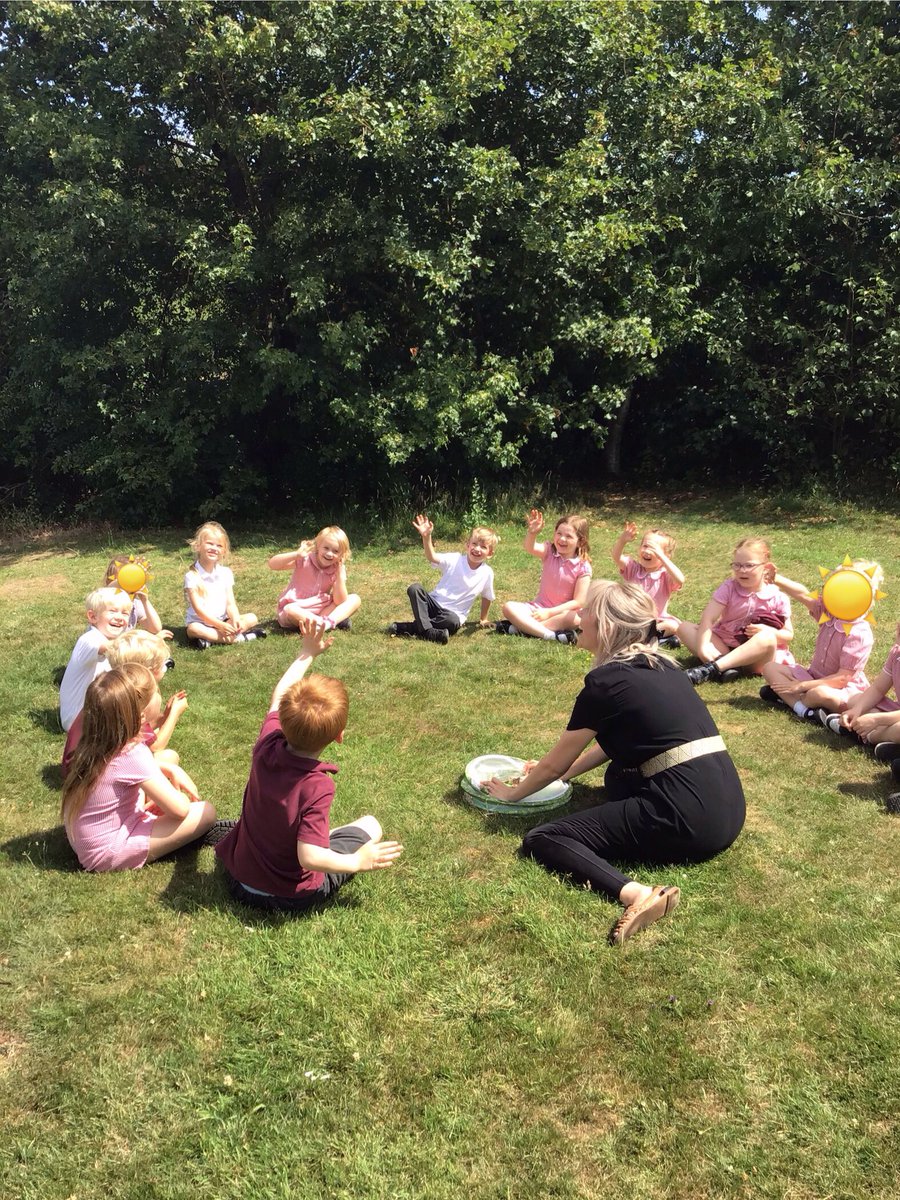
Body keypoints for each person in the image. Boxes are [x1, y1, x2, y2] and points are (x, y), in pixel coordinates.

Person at [483, 580, 745, 943]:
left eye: (586, 612)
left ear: (605, 626)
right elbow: (610, 744)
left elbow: (553, 765)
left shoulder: (604, 683)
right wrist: (569, 775)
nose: (578, 618)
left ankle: (637, 894)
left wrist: (512, 796)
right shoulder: (663, 667)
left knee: (544, 838)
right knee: (617, 777)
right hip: (727, 809)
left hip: (689, 821)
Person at [215, 616, 403, 911]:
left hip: (239, 878)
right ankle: (321, 839)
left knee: (301, 833)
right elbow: (308, 857)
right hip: (285, 895)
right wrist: (356, 861)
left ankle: (263, 835)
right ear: (339, 736)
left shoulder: (266, 745)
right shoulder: (318, 786)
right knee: (371, 825)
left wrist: (306, 653)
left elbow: (278, 696)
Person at [62, 663, 217, 871]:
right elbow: (180, 810)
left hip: (82, 839)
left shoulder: (94, 740)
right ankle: (184, 840)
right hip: (105, 853)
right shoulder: (132, 752)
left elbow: (121, 773)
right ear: (142, 715)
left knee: (168, 759)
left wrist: (171, 770)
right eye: (157, 692)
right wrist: (177, 796)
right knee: (205, 813)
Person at [759, 562, 882, 721]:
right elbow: (803, 594)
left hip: (840, 689)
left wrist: (802, 686)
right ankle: (803, 709)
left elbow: (842, 679)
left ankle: (790, 698)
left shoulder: (859, 633)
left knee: (818, 694)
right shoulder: (829, 614)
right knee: (770, 668)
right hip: (812, 677)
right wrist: (777, 579)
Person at [62, 629, 187, 777]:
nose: (165, 669)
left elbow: (135, 729)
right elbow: (155, 746)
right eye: (163, 665)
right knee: (169, 756)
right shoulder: (136, 697)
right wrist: (174, 714)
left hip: (77, 765)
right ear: (148, 671)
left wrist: (164, 715)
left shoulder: (110, 686)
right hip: (93, 774)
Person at [674, 536, 794, 685]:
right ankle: (726, 667)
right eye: (737, 565)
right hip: (724, 645)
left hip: (755, 657)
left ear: (766, 567)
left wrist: (767, 630)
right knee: (684, 627)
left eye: (749, 565)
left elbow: (788, 635)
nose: (742, 571)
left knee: (767, 637)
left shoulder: (778, 597)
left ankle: (714, 668)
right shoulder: (729, 587)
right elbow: (708, 618)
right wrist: (703, 647)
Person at [387, 515, 498, 644]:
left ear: (489, 553)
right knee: (415, 589)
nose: (477, 549)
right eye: (474, 544)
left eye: (483, 547)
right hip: (433, 605)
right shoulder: (455, 559)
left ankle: (408, 628)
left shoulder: (487, 573)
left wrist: (483, 619)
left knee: (452, 621)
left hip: (451, 615)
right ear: (467, 545)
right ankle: (428, 632)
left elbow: (487, 596)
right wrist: (426, 537)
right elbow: (432, 557)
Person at [497, 510, 592, 643]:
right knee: (508, 607)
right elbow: (530, 547)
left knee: (577, 618)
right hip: (538, 608)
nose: (562, 539)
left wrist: (550, 613)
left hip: (562, 613)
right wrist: (532, 533)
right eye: (559, 533)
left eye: (569, 536)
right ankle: (551, 635)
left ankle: (522, 628)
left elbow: (579, 602)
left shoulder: (583, 567)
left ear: (580, 542)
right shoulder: (550, 552)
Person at [59, 588, 132, 732]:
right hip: (77, 720)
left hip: (93, 713)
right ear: (93, 617)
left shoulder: (111, 638)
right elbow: (109, 647)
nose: (119, 617)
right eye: (112, 611)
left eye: (125, 613)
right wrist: (147, 641)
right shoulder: (89, 640)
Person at [184, 521, 265, 648]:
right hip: (201, 622)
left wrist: (235, 618)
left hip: (224, 620)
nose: (214, 548)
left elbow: (230, 604)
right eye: (210, 543)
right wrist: (220, 626)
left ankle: (210, 640)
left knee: (252, 618)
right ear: (198, 546)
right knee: (193, 630)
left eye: (219, 546)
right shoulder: (192, 576)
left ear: (224, 551)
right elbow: (199, 611)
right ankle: (243, 637)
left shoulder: (225, 573)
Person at [268, 526, 361, 633]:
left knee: (354, 598)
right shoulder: (305, 559)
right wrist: (296, 555)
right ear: (318, 547)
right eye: (326, 548)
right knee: (290, 610)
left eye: (335, 551)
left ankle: (324, 624)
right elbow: (272, 564)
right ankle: (327, 623)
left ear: (342, 554)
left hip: (320, 609)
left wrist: (339, 576)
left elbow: (340, 601)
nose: (329, 554)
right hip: (297, 608)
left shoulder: (337, 568)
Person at [611, 520, 684, 648]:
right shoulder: (633, 568)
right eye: (645, 546)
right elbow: (616, 557)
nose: (647, 551)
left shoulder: (665, 576)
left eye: (654, 549)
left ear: (665, 556)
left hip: (654, 621)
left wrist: (662, 556)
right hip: (631, 618)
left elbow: (680, 580)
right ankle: (656, 640)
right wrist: (623, 540)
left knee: (672, 626)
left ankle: (643, 639)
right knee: (612, 624)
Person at [103, 554, 173, 639]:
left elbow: (155, 628)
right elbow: (111, 589)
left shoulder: (135, 605)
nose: (129, 583)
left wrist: (145, 601)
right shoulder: (105, 600)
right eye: (126, 579)